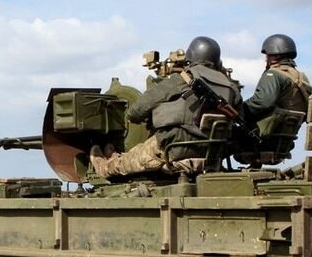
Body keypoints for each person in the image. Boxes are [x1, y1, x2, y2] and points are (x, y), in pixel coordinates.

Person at [91, 36, 242, 178]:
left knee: (128, 162)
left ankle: (104, 165)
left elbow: (134, 112)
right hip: (212, 156)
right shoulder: (231, 87)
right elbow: (240, 119)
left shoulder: (183, 79)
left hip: (172, 149)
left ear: (191, 56)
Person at [236, 33, 312, 164]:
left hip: (262, 138)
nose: (265, 59)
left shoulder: (274, 74)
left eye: (267, 55)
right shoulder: (301, 78)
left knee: (224, 132)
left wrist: (238, 109)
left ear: (276, 55)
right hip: (283, 140)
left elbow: (262, 102)